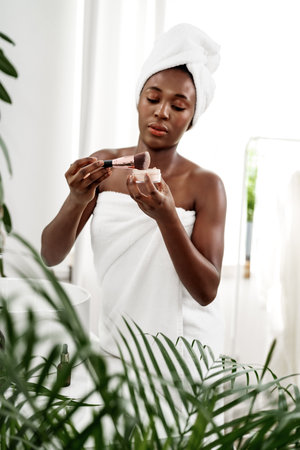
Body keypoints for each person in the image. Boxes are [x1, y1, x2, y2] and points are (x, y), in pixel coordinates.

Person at [41, 23, 226, 364]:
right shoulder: (104, 168)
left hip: (183, 352)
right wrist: (77, 199)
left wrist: (166, 216)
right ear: (139, 100)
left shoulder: (205, 184)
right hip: (116, 345)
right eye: (153, 97)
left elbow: (206, 292)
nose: (162, 112)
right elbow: (50, 255)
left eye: (179, 106)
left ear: (192, 118)